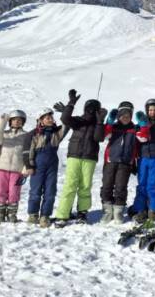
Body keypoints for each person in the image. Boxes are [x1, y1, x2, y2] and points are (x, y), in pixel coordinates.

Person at [54, 90, 105, 228]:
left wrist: (100, 122)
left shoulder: (98, 125)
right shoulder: (78, 121)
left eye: (94, 110)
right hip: (74, 156)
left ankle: (82, 212)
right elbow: (65, 119)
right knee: (70, 185)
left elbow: (99, 138)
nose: (91, 112)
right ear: (85, 109)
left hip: (90, 158)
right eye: (89, 109)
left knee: (85, 186)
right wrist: (71, 103)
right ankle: (62, 214)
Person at [26, 108, 69, 228]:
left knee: (50, 192)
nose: (50, 119)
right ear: (40, 120)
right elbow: (29, 151)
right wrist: (29, 165)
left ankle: (45, 215)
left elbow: (67, 124)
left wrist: (66, 111)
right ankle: (33, 214)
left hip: (52, 164)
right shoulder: (34, 134)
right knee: (35, 191)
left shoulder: (57, 132)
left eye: (51, 117)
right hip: (38, 164)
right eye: (47, 118)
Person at [129, 99, 155, 223]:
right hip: (142, 158)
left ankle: (154, 210)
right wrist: (133, 161)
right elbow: (135, 142)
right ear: (147, 110)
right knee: (142, 185)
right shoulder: (141, 123)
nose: (152, 112)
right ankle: (140, 210)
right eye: (150, 109)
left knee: (153, 185)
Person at [100, 102, 138, 224]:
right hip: (111, 161)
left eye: (128, 115)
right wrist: (109, 122)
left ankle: (118, 211)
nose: (125, 117)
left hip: (125, 163)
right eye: (122, 115)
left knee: (121, 187)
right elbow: (105, 134)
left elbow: (143, 137)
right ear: (118, 116)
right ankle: (107, 211)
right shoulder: (113, 127)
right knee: (107, 185)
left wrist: (142, 125)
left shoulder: (134, 129)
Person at [0, 110, 32, 223]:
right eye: (14, 120)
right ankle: (0, 214)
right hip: (2, 167)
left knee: (14, 192)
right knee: (0, 191)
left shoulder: (26, 136)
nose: (17, 122)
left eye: (19, 120)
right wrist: (2, 121)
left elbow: (29, 152)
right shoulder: (4, 134)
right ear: (10, 121)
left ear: (23, 122)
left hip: (18, 169)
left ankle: (12, 214)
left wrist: (25, 167)